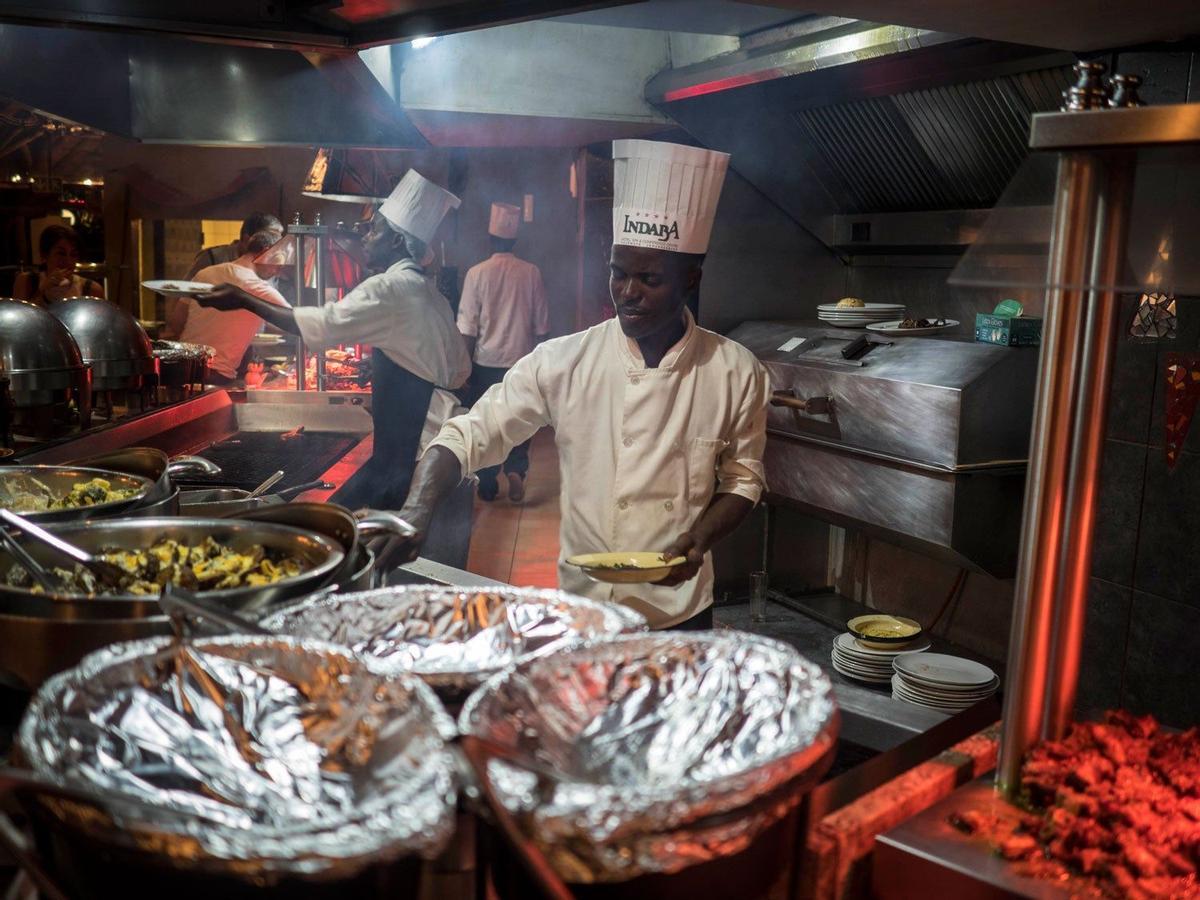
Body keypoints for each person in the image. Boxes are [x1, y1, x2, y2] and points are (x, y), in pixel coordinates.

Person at [390, 140, 771, 630]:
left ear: (691, 279)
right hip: (586, 609)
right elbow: (470, 433)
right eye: (618, 274)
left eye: (649, 279)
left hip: (681, 613)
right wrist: (416, 510)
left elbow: (743, 478)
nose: (627, 294)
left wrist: (700, 539)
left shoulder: (736, 371)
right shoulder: (565, 360)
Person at [192, 170, 471, 509]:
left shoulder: (389, 287)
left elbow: (321, 325)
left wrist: (242, 298)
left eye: (374, 229)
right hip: (443, 451)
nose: (364, 237)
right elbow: (457, 370)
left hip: (413, 456)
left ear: (397, 241)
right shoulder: (427, 292)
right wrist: (388, 366)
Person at [457, 202, 550, 503]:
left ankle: (486, 480)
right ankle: (515, 470)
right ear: (515, 240)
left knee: (487, 421)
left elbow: (467, 327)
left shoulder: (476, 273)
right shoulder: (531, 272)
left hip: (485, 361)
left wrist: (464, 370)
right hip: (522, 360)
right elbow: (542, 325)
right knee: (521, 418)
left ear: (490, 239)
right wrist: (541, 363)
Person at [168, 230, 290, 385]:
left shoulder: (204, 273)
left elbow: (176, 321)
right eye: (279, 260)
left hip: (179, 368)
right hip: (214, 375)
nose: (280, 269)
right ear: (266, 252)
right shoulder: (258, 287)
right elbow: (294, 322)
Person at [13, 225, 104, 305]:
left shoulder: (91, 289)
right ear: (44, 256)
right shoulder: (27, 282)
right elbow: (20, 320)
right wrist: (42, 291)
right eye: (61, 253)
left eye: (73, 254)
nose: (68, 261)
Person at [185, 212, 284, 279]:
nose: (274, 247)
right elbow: (183, 296)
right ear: (247, 239)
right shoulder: (212, 258)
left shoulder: (271, 265)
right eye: (268, 239)